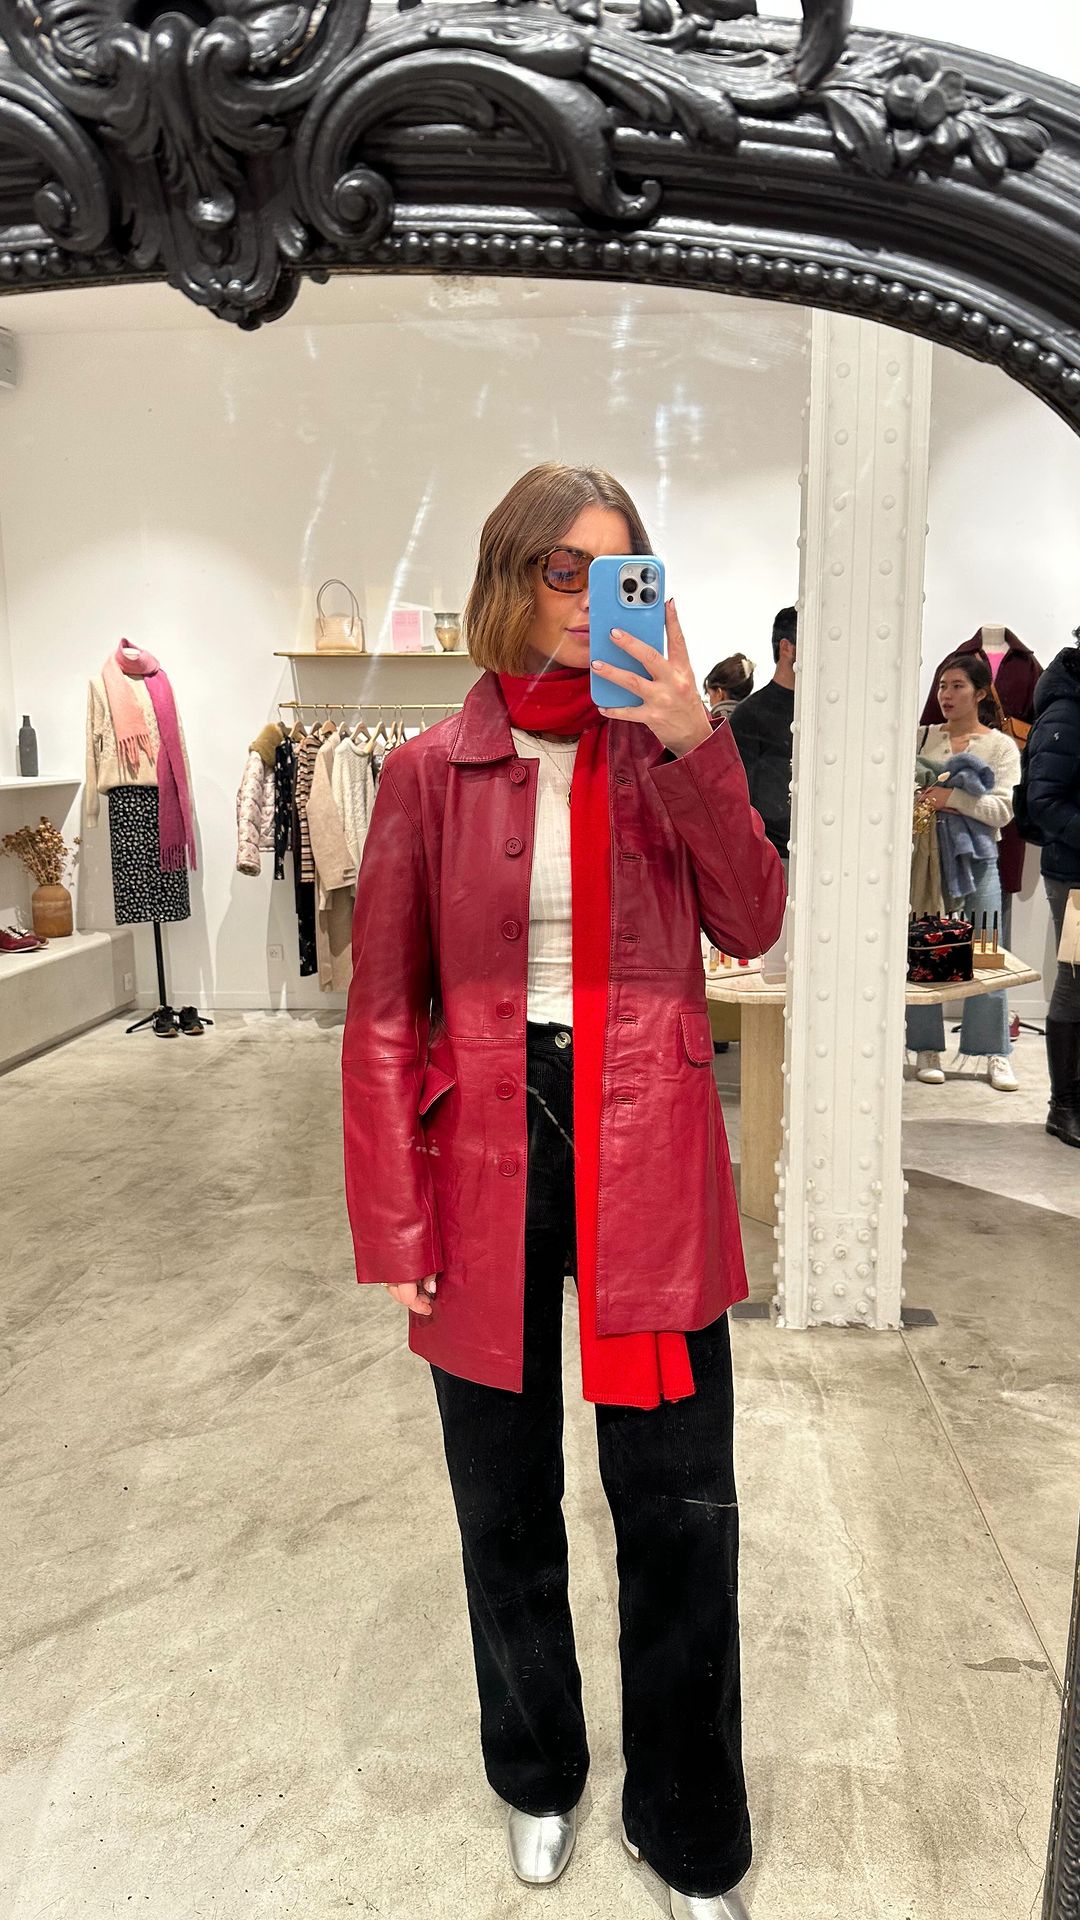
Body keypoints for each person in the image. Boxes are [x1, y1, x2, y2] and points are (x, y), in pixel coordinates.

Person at [342, 463, 785, 1920]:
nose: (592, 599)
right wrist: (393, 1219)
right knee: (502, 1495)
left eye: (619, 570)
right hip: (482, 1147)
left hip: (649, 1139)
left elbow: (752, 921)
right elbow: (385, 1011)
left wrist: (697, 741)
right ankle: (536, 1773)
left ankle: (689, 1822)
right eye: (563, 571)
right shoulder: (428, 771)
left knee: (680, 1503)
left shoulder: (668, 750)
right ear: (510, 580)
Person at [906, 654, 1021, 1091]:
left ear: (980, 692)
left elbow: (1001, 811)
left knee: (987, 954)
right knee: (924, 952)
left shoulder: (1000, 746)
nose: (946, 695)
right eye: (942, 686)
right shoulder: (921, 737)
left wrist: (949, 799)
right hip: (925, 861)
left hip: (979, 860)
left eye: (957, 686)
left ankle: (994, 1051)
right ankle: (925, 1046)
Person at [1020, 629, 1080, 1147]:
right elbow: (1044, 802)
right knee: (1077, 979)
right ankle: (1065, 1106)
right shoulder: (1065, 713)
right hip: (1075, 873)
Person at [726, 607, 797, 868]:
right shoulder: (750, 715)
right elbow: (735, 797)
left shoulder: (825, 713)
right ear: (786, 647)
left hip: (820, 854)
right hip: (772, 861)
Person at [703, 653, 755, 720]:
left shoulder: (718, 720)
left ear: (719, 693)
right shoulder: (754, 718)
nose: (710, 702)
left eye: (709, 694)